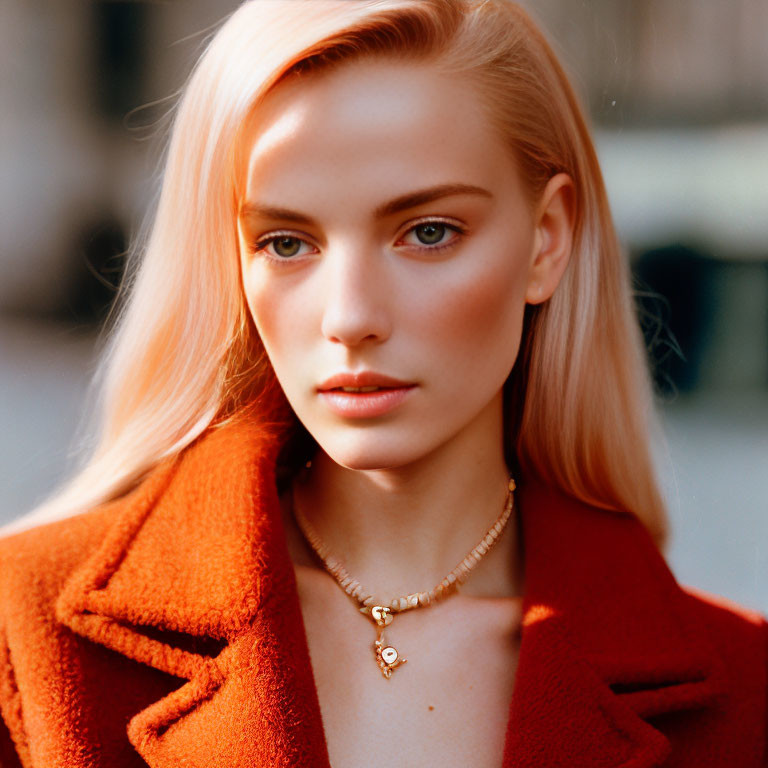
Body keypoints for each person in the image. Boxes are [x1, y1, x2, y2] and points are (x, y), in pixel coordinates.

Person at [0, 1, 765, 766]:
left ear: (546, 239)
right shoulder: (27, 634)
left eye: (428, 232)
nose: (351, 316)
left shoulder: (745, 693)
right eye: (286, 242)